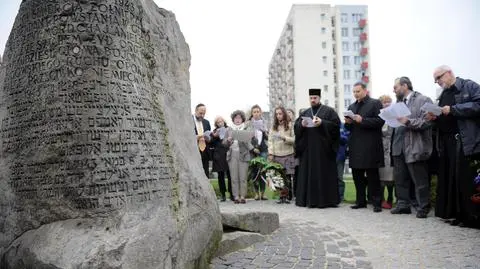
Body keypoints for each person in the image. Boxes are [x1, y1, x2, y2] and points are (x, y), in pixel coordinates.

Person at [426, 65, 480, 227]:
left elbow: (478, 105)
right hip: (447, 142)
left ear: (449, 73)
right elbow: (444, 115)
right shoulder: (444, 94)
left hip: (466, 140)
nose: (438, 82)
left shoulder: (468, 86)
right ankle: (458, 214)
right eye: (436, 80)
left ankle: (471, 217)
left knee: (466, 179)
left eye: (439, 78)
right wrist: (435, 118)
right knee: (452, 179)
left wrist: (454, 109)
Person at [390, 77, 433, 218]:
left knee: (419, 180)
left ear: (404, 85)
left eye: (395, 87)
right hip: (398, 146)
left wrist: (408, 121)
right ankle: (403, 205)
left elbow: (427, 122)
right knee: (400, 179)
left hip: (415, 146)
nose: (393, 90)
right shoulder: (398, 103)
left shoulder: (423, 100)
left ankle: (423, 207)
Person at [294, 88, 341, 208]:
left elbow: (336, 127)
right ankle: (307, 200)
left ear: (319, 98)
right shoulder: (305, 112)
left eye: (315, 98)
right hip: (308, 151)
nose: (312, 100)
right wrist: (302, 125)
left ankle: (325, 201)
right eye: (311, 98)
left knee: (323, 175)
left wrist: (322, 123)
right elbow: (296, 127)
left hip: (323, 151)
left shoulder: (329, 111)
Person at [345, 82, 384, 213]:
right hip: (355, 146)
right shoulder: (351, 106)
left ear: (365, 91)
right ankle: (360, 201)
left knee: (373, 176)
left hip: (371, 146)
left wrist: (363, 120)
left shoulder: (375, 103)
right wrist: (348, 123)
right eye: (354, 92)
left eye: (358, 91)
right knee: (357, 175)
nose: (356, 94)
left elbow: (380, 121)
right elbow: (348, 129)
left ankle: (376, 202)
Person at [224, 110, 255, 204]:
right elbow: (224, 143)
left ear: (242, 119)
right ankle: (236, 196)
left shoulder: (246, 129)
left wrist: (244, 138)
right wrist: (228, 141)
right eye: (236, 118)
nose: (237, 120)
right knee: (234, 177)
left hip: (244, 154)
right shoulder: (229, 129)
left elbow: (250, 141)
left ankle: (243, 196)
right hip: (232, 154)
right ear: (233, 119)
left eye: (239, 118)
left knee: (243, 177)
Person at [268, 106, 295, 204]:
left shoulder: (290, 125)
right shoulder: (273, 127)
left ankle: (287, 196)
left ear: (284, 114)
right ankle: (281, 196)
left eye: (280, 113)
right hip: (276, 155)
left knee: (287, 176)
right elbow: (270, 141)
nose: (278, 116)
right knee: (278, 176)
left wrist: (284, 138)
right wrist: (270, 153)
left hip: (288, 153)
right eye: (277, 114)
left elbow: (294, 140)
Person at [246, 105, 269, 200]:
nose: (256, 113)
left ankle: (263, 193)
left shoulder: (265, 123)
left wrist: (265, 131)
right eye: (254, 112)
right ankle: (256, 193)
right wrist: (252, 148)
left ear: (260, 112)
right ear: (252, 113)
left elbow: (268, 137)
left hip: (263, 149)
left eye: (257, 111)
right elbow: (246, 139)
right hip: (253, 150)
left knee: (263, 171)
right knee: (254, 171)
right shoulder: (248, 124)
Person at [378, 95, 395, 209]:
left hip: (392, 149)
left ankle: (390, 197)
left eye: (389, 102)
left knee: (391, 176)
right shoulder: (378, 117)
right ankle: (382, 198)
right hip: (380, 149)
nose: (387, 104)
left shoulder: (394, 116)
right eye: (384, 102)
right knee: (381, 176)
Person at [211, 116, 232, 202]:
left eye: (221, 121)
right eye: (218, 122)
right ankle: (223, 195)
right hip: (218, 155)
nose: (220, 123)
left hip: (228, 153)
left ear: (224, 121)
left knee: (230, 174)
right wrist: (214, 136)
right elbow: (211, 143)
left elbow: (232, 140)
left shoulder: (229, 129)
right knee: (220, 175)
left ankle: (232, 194)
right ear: (216, 124)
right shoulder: (214, 131)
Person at [193, 103, 211, 178]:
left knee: (205, 172)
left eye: (204, 114)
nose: (202, 115)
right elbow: (185, 136)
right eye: (200, 113)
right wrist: (198, 136)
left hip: (205, 151)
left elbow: (209, 138)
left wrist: (208, 138)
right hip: (193, 150)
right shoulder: (188, 120)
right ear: (195, 111)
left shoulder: (206, 122)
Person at [336, 122, 350, 202]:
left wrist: (337, 134)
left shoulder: (342, 125)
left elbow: (346, 139)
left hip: (340, 156)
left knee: (339, 178)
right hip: (327, 156)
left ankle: (340, 197)